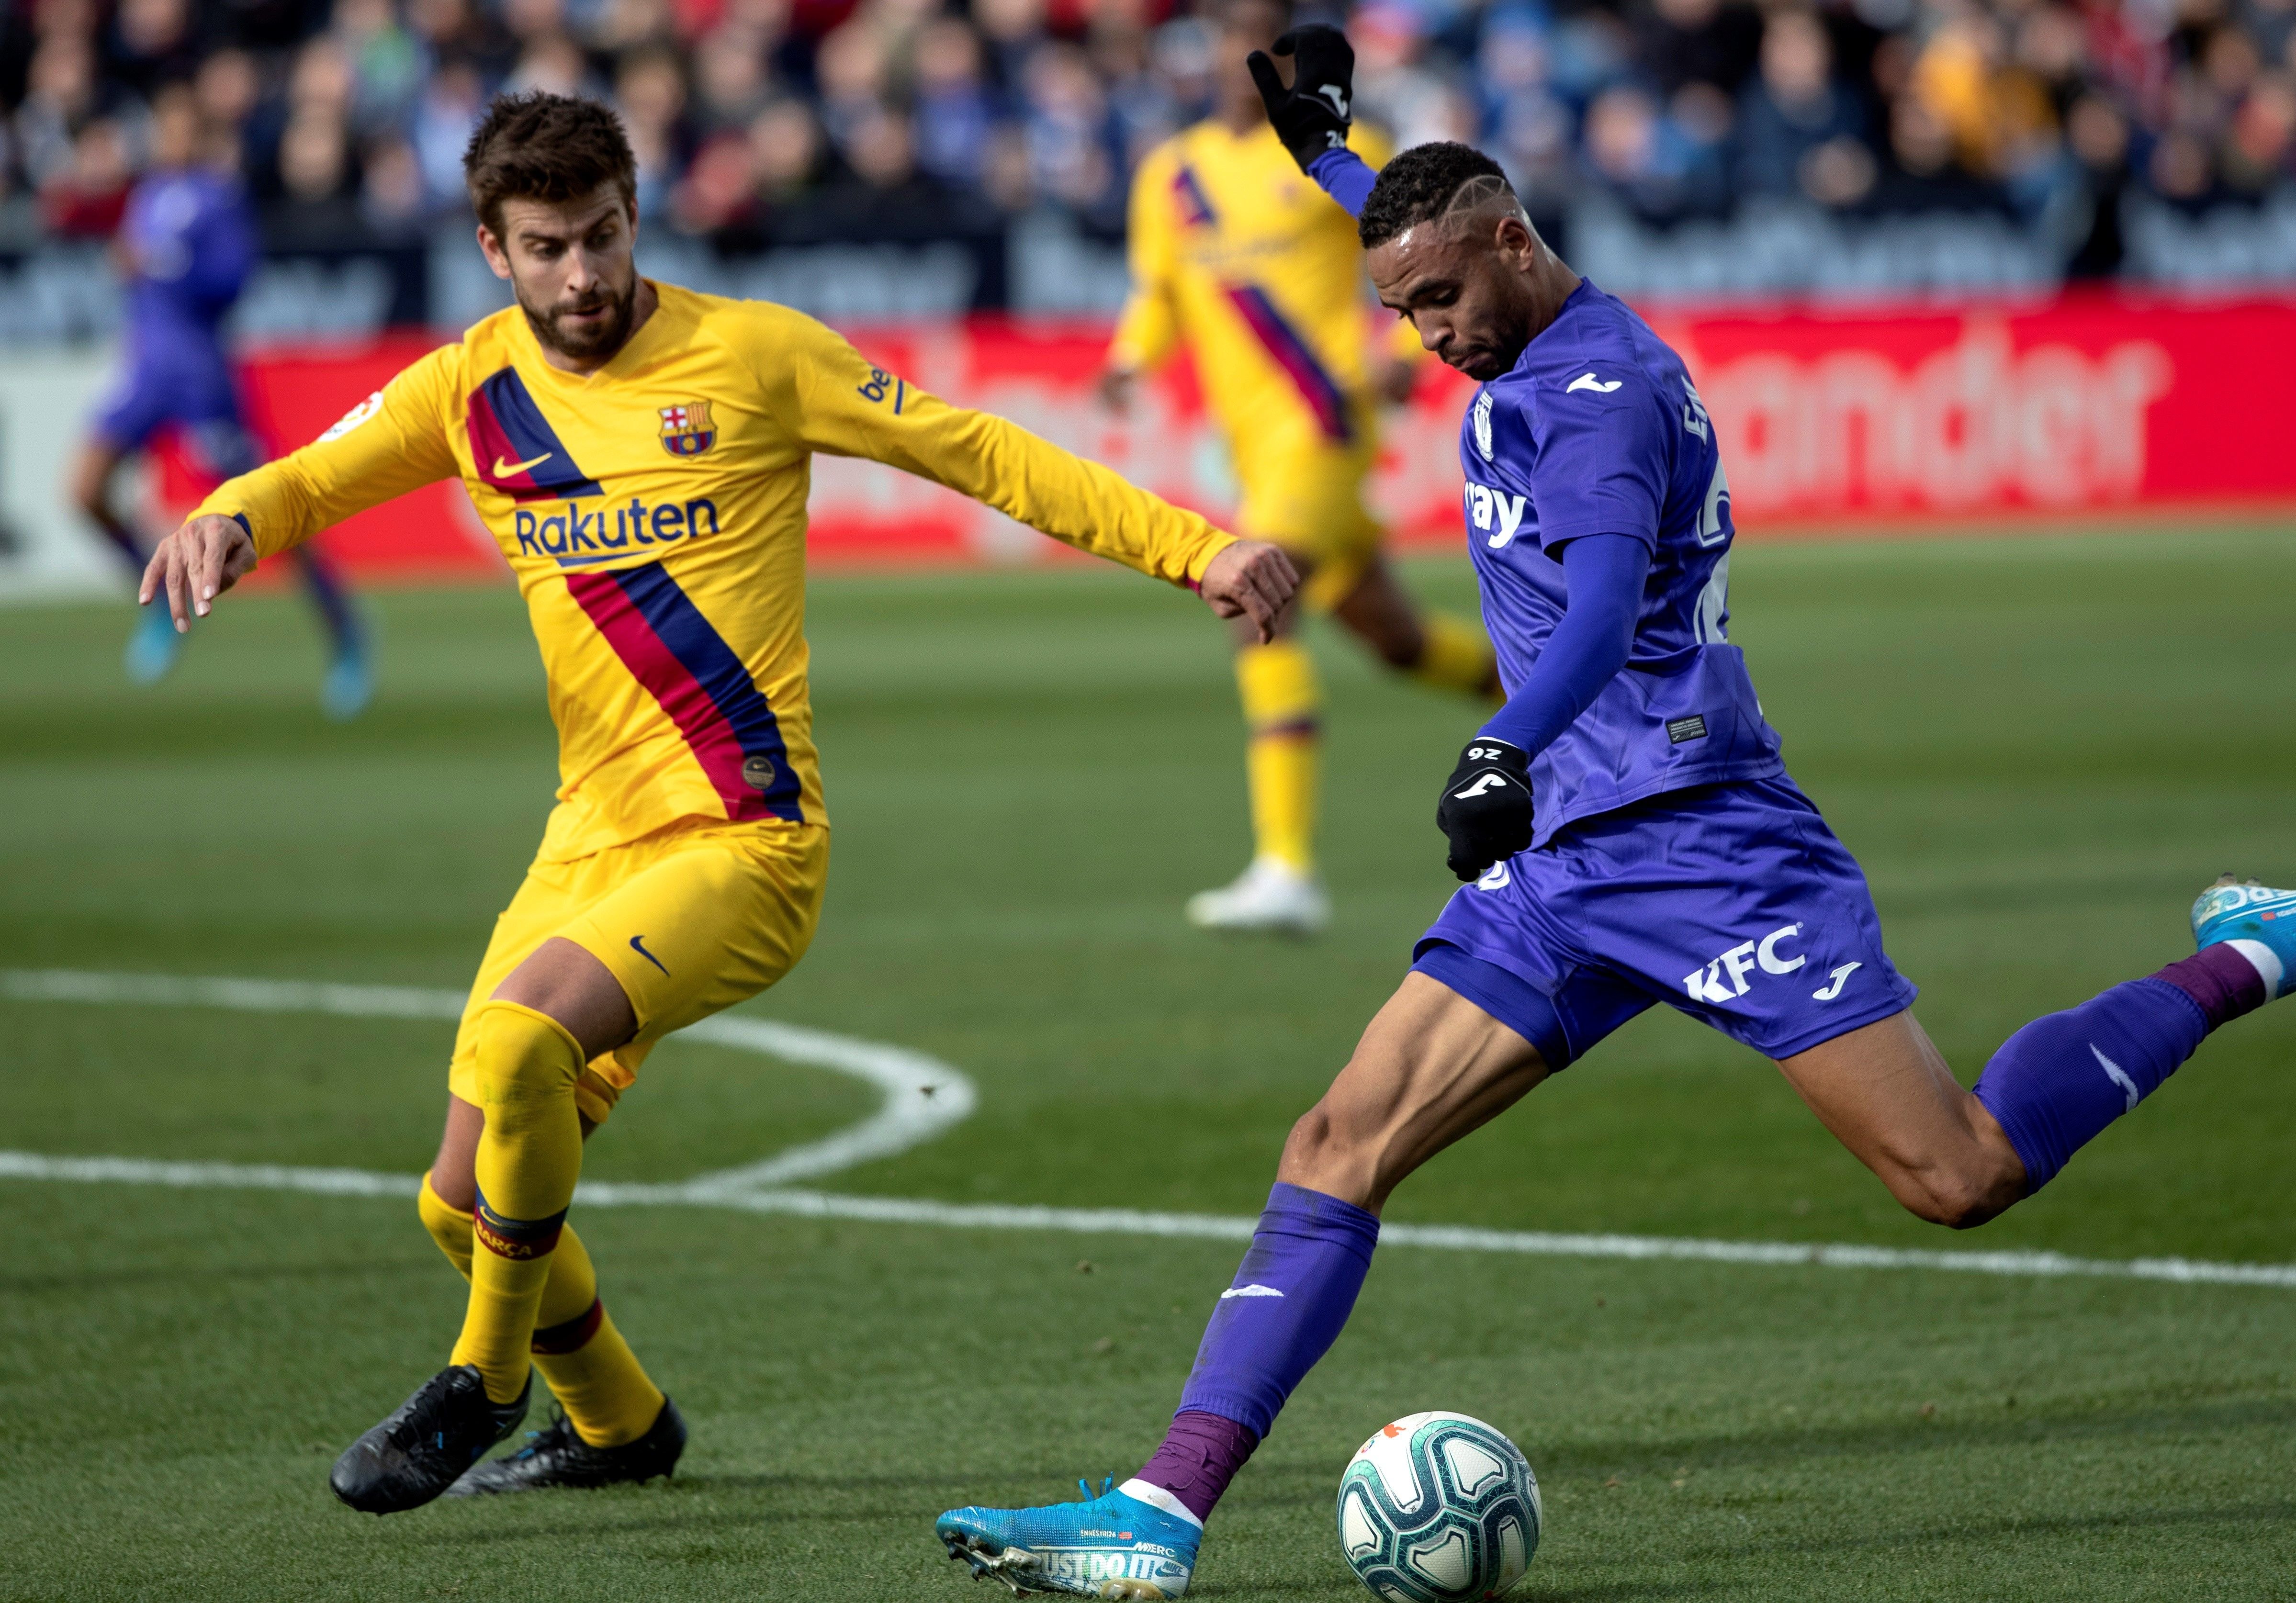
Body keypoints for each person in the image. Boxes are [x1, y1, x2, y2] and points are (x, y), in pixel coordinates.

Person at [933, 30, 2296, 1599]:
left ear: (1512, 247)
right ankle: (1161, 1517)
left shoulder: (1607, 396)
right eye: (1402, 312)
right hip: (1566, 854)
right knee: (1339, 1139)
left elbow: (1593, 611)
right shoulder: (1499, 287)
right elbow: (1421, 208)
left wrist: (1501, 744)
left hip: (1700, 839)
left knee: (1961, 1174)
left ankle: (2257, 950)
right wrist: (1329, 151)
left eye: (1438, 302)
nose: (1427, 338)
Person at [138, 90, 1300, 1515]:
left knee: (515, 1050)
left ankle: (482, 1380)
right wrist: (234, 513)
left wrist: (1198, 550)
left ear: (639, 216)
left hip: (748, 840)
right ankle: (618, 1419)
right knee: (460, 1196)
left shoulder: (752, 355)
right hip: (590, 842)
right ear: (495, 251)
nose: (584, 277)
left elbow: (982, 452)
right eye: (549, 247)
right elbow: (318, 475)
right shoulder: (473, 389)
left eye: (606, 236)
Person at [1104, 0, 1498, 937]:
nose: (1253, 55)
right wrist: (1129, 357)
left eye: (1271, 34)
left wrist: (1405, 360)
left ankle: (1286, 867)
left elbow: (1424, 250)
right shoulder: (1172, 173)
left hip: (1322, 425)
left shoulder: (1347, 142)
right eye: (1234, 34)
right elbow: (1159, 291)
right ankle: (1574, 701)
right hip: (1254, 445)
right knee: (1396, 641)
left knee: (1254, 595)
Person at [75, 81, 375, 719]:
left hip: (200, 377)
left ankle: (345, 632)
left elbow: (234, 280)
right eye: (164, 126)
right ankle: (158, 598)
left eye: (181, 126)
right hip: (145, 371)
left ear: (200, 132)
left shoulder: (218, 197)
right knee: (84, 489)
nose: (169, 137)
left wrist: (161, 263)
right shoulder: (148, 195)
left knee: (268, 514)